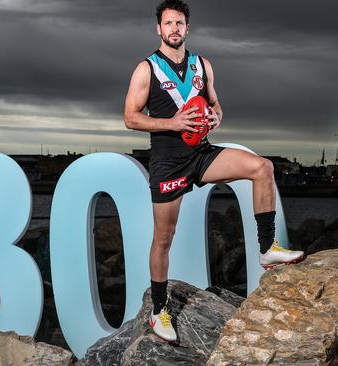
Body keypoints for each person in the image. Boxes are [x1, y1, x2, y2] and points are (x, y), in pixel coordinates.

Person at [123, 0, 304, 343]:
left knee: (262, 167)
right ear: (158, 29)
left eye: (180, 23)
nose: (174, 29)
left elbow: (215, 103)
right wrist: (172, 122)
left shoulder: (202, 65)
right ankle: (159, 310)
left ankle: (268, 249)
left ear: (187, 28)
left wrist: (217, 116)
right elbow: (130, 116)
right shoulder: (146, 69)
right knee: (164, 238)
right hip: (168, 162)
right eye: (168, 23)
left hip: (202, 154)